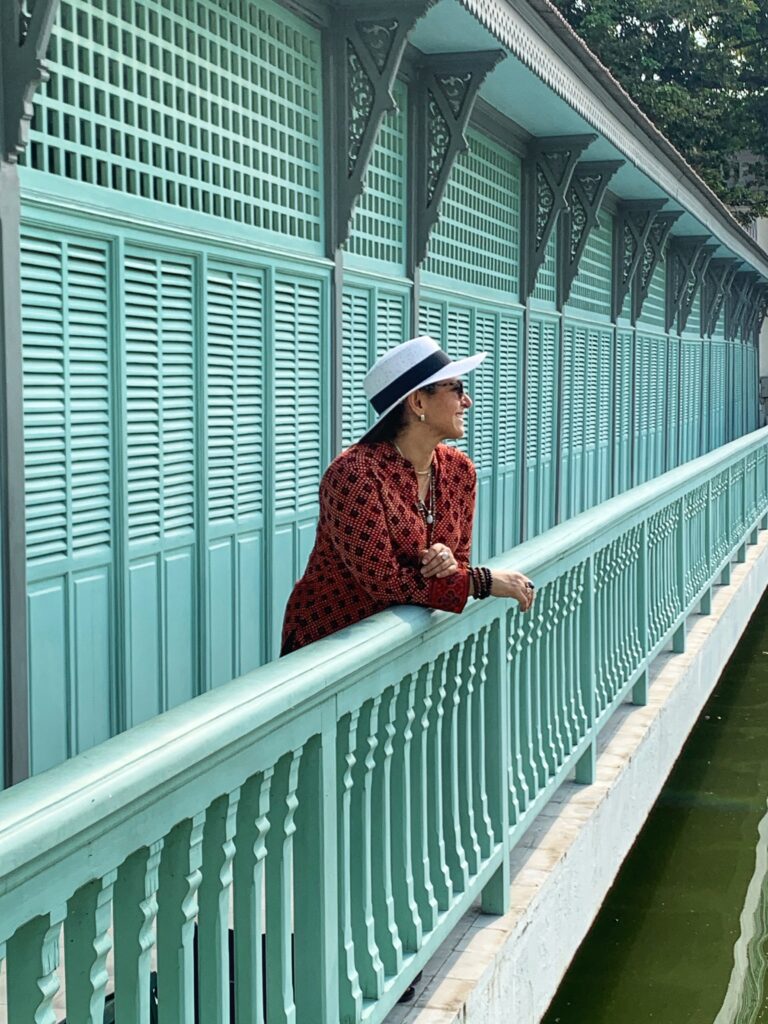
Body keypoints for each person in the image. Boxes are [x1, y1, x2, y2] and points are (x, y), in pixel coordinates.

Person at [281, 335, 535, 655]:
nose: (467, 401)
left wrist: (444, 557)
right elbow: (384, 582)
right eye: (456, 388)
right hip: (330, 648)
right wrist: (481, 583)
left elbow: (458, 562)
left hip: (399, 648)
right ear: (418, 403)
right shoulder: (354, 474)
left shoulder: (459, 471)